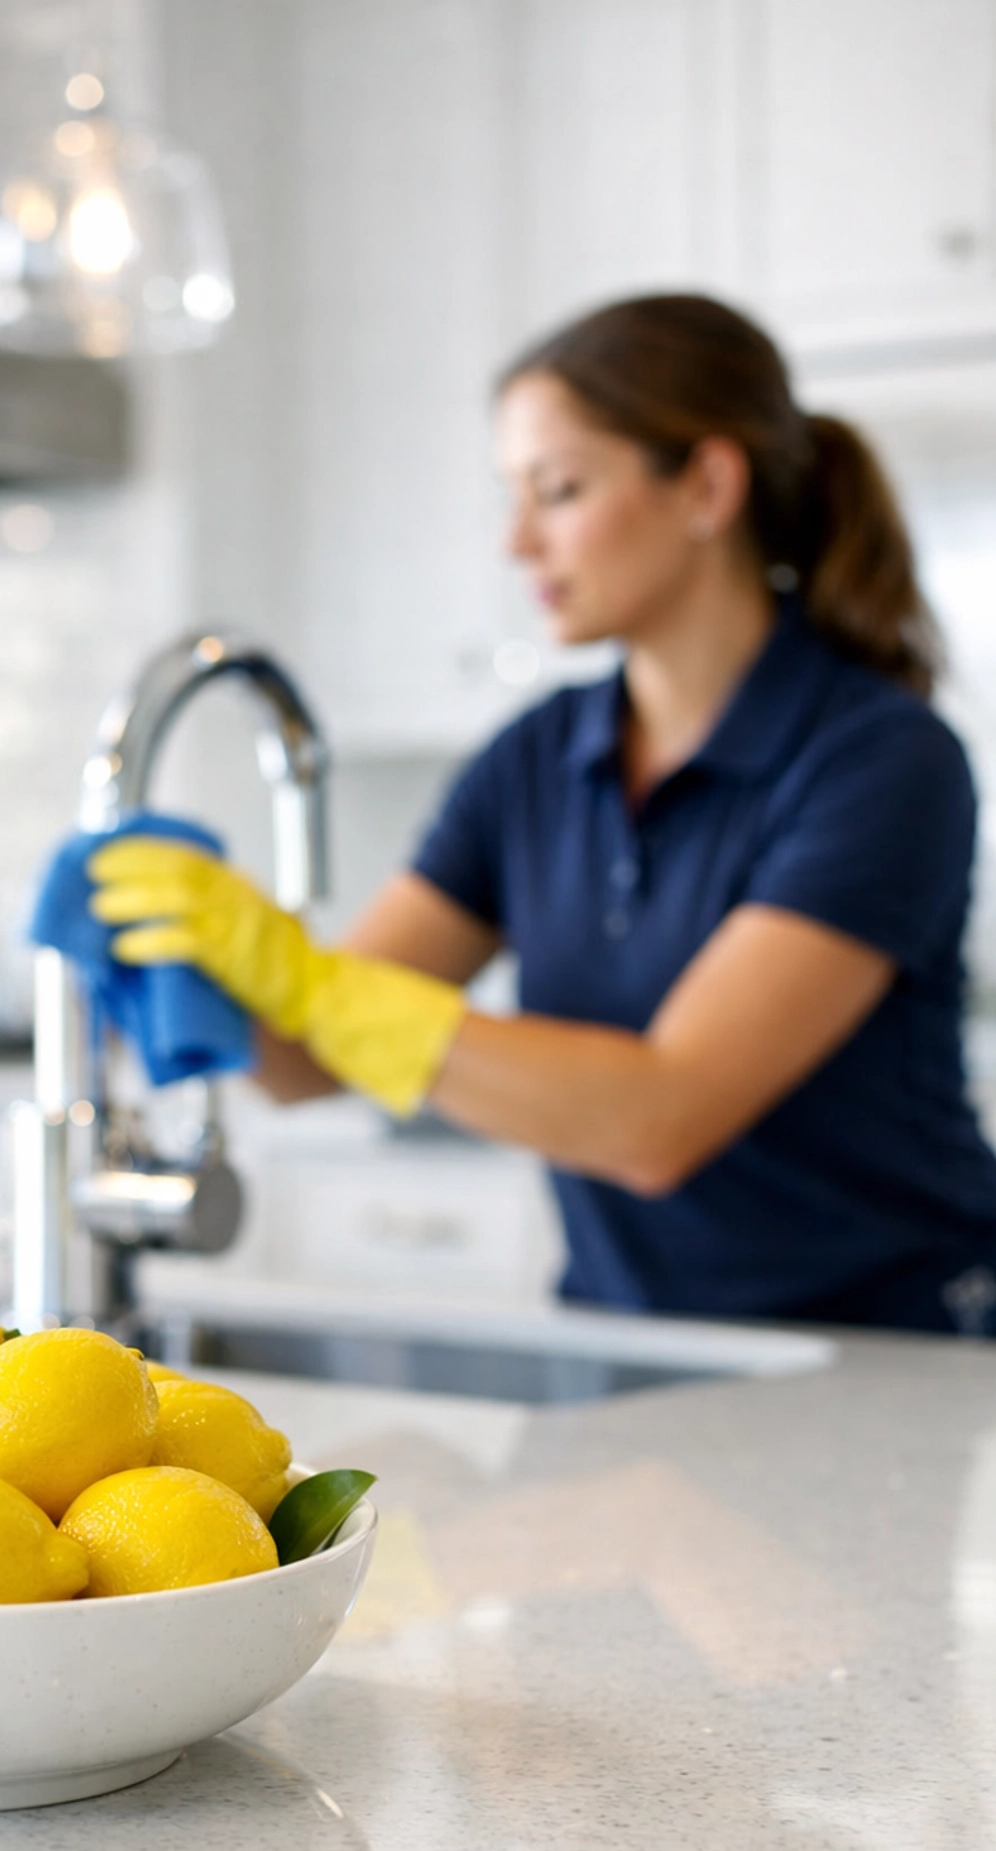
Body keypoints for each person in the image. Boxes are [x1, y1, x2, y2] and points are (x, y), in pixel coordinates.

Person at [88, 293, 996, 1333]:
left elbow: (658, 1119)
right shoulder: (536, 760)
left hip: (894, 1355)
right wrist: (177, 953)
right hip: (632, 1338)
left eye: (558, 491)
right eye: (511, 495)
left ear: (706, 486)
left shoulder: (882, 759)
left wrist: (312, 982)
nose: (517, 542)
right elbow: (305, 1065)